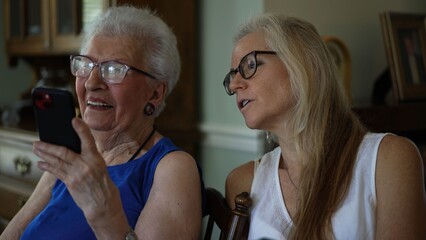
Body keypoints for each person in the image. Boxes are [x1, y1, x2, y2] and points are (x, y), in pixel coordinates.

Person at [0, 6, 203, 240]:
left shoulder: (171, 168)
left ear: (155, 93)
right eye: (85, 65)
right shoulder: (72, 155)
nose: (91, 83)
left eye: (114, 69)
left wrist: (104, 214)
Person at [223, 13, 426, 239]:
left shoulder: (389, 161)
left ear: (302, 63)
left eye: (250, 65)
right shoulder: (242, 183)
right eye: (231, 76)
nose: (234, 84)